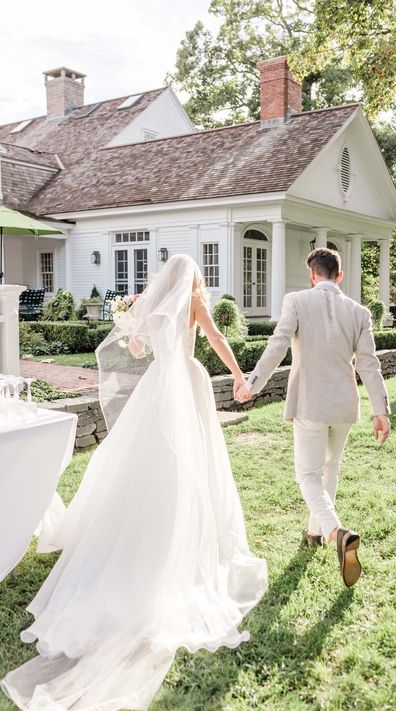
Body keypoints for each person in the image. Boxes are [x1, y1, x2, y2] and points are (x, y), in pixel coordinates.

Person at [1, 255, 267, 711]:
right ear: (193, 278)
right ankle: (189, 529)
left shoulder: (152, 303)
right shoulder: (194, 303)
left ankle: (147, 518)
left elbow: (140, 351)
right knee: (194, 458)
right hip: (187, 381)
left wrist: (130, 319)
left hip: (160, 384)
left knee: (150, 456)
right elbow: (217, 338)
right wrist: (240, 375)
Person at [236, 247, 390, 587]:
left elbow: (277, 344)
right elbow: (369, 363)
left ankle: (335, 532)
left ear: (312, 275)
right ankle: (313, 531)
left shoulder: (296, 301)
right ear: (339, 275)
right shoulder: (359, 312)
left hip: (309, 402)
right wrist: (381, 410)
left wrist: (253, 383)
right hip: (345, 405)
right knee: (328, 470)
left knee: (307, 473)